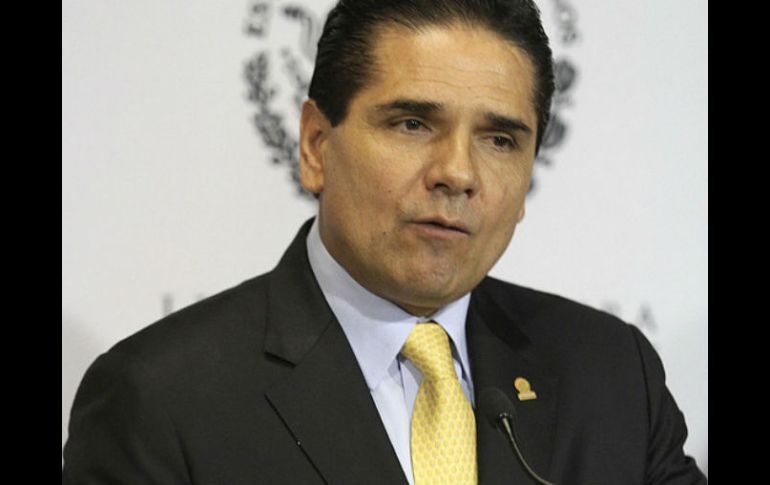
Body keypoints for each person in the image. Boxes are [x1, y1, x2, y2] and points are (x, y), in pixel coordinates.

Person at [62, 0, 707, 483]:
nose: (458, 173)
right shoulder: (159, 400)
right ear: (316, 146)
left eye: (500, 139)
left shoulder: (612, 373)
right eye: (412, 123)